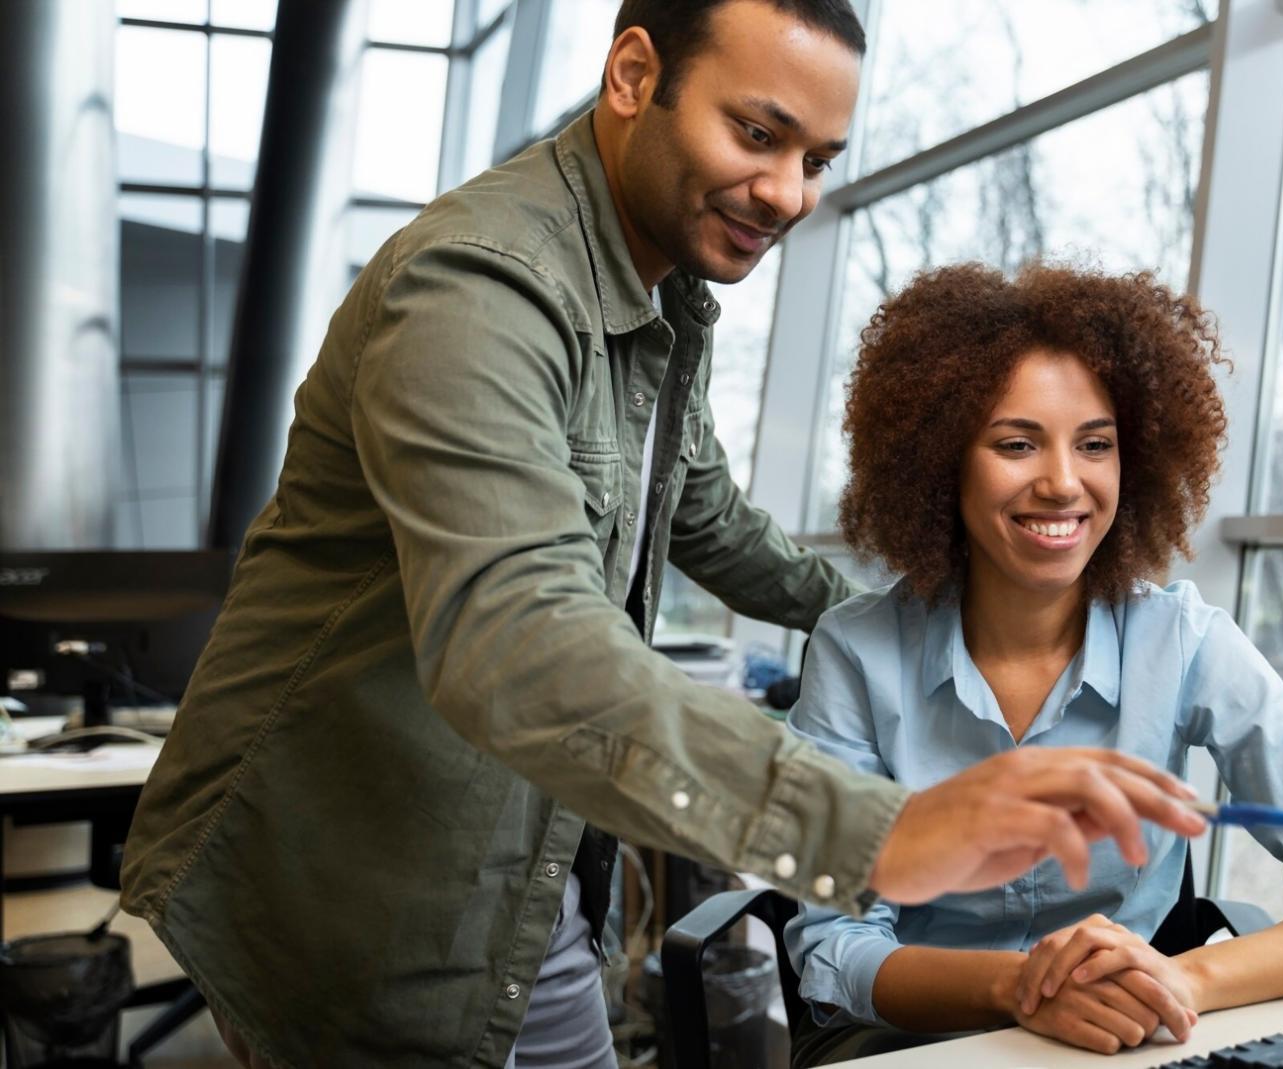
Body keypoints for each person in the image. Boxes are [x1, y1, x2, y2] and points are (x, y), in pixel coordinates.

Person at [118, 5, 1208, 1068]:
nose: (787, 193)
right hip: (358, 867)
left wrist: (911, 622)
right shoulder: (478, 287)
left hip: (513, 854)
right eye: (756, 134)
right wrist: (879, 832)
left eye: (818, 159)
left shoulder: (663, 291)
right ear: (634, 76)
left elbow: (704, 514)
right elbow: (514, 638)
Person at [783, 262, 1283, 1065]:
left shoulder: (1187, 641)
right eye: (1017, 443)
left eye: (1095, 444)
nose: (1064, 483)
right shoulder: (855, 651)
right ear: (940, 460)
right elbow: (835, 946)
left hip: (1126, 1038)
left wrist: (1181, 979)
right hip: (915, 1043)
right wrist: (1021, 985)